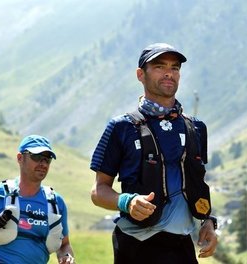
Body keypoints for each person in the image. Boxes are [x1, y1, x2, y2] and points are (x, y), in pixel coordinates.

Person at [90, 42, 218, 264]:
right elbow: (98, 191)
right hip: (136, 245)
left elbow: (197, 183)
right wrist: (127, 202)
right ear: (141, 74)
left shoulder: (196, 128)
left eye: (175, 67)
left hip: (182, 246)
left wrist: (208, 221)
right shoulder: (121, 127)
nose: (169, 73)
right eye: (159, 66)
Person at [0, 135, 75, 264]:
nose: (43, 164)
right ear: (20, 158)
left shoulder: (56, 203)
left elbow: (64, 245)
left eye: (47, 159)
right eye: (36, 157)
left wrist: (67, 257)